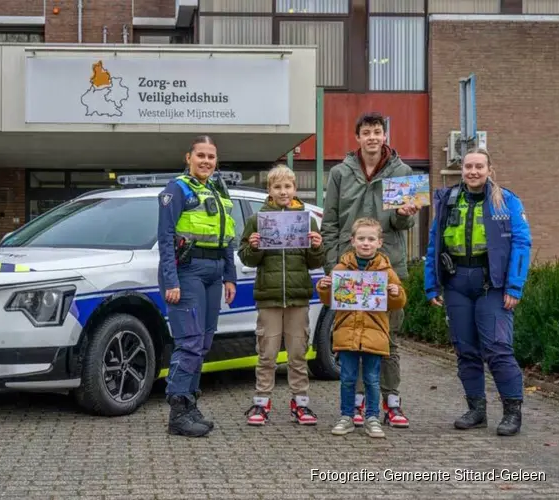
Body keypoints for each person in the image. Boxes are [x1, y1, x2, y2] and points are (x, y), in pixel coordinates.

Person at [320, 111, 419, 428]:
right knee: (353, 339)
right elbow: (330, 223)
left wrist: (405, 213)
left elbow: (405, 224)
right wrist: (333, 264)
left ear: (385, 135)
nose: (373, 137)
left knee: (387, 339)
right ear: (358, 137)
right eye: (367, 132)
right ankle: (360, 405)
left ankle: (392, 403)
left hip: (387, 265)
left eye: (378, 131)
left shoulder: (401, 171)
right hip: (349, 269)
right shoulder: (340, 173)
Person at [424, 147, 531, 436]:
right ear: (462, 169)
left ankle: (512, 412)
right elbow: (434, 243)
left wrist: (515, 285)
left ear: (489, 169)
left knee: (498, 349)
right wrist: (431, 283)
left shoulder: (506, 200)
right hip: (457, 282)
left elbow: (522, 244)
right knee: (465, 350)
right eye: (468, 166)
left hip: (493, 285)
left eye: (479, 167)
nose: (473, 171)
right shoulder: (448, 200)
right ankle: (476, 410)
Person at [157, 135, 238, 438]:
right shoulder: (176, 190)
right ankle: (178, 412)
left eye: (211, 156)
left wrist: (229, 276)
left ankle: (190, 404)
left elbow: (227, 237)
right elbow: (165, 238)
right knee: (189, 342)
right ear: (187, 158)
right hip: (187, 272)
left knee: (203, 343)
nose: (206, 161)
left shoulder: (216, 191)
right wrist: (171, 280)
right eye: (200, 155)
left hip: (214, 273)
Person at [237, 164, 326, 426]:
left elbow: (314, 261)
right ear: (270, 190)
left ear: (295, 189)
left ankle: (301, 404)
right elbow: (247, 258)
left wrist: (317, 246)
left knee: (298, 353)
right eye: (277, 187)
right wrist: (253, 247)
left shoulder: (306, 219)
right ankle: (261, 402)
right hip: (269, 297)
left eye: (287, 186)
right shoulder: (258, 219)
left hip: (298, 297)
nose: (283, 191)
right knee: (267, 353)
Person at [317, 217, 407, 438]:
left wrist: (395, 294)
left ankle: (373, 417)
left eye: (371, 239)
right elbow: (331, 300)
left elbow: (399, 301)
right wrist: (323, 287)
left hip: (374, 335)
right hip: (346, 333)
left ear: (379, 242)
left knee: (372, 378)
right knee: (347, 378)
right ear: (353, 241)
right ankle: (346, 416)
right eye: (361, 239)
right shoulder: (341, 267)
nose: (366, 243)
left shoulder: (386, 270)